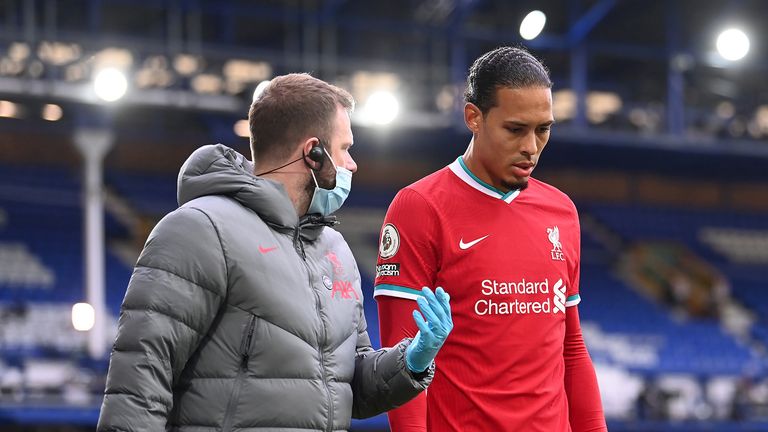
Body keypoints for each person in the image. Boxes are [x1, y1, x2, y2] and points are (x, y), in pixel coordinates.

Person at [97, 73, 453, 432]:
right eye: (345, 149)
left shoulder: (335, 250)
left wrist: (411, 359)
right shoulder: (199, 230)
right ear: (313, 152)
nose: (353, 164)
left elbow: (348, 386)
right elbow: (139, 383)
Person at [374, 47, 607, 431]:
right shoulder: (419, 207)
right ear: (474, 118)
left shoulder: (562, 212)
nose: (531, 146)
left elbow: (572, 349)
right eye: (516, 129)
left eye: (543, 129)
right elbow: (400, 363)